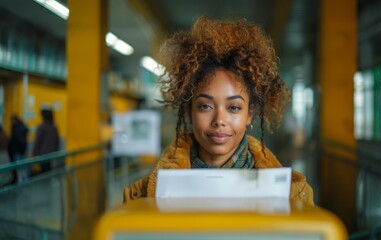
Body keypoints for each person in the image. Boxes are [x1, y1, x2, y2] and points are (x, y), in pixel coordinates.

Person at [123, 17, 314, 205]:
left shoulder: (293, 194)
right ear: (189, 112)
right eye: (205, 106)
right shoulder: (142, 196)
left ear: (250, 114)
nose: (219, 120)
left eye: (234, 107)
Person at [32, 108, 60, 174]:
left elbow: (38, 140)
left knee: (42, 171)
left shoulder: (42, 127)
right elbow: (56, 141)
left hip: (42, 153)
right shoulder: (54, 127)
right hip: (51, 153)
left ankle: (44, 183)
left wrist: (34, 152)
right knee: (48, 170)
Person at [8, 115, 29, 183]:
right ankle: (25, 180)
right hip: (23, 150)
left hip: (17, 151)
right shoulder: (23, 127)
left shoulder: (16, 129)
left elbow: (17, 140)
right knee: (24, 167)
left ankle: (20, 181)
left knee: (18, 167)